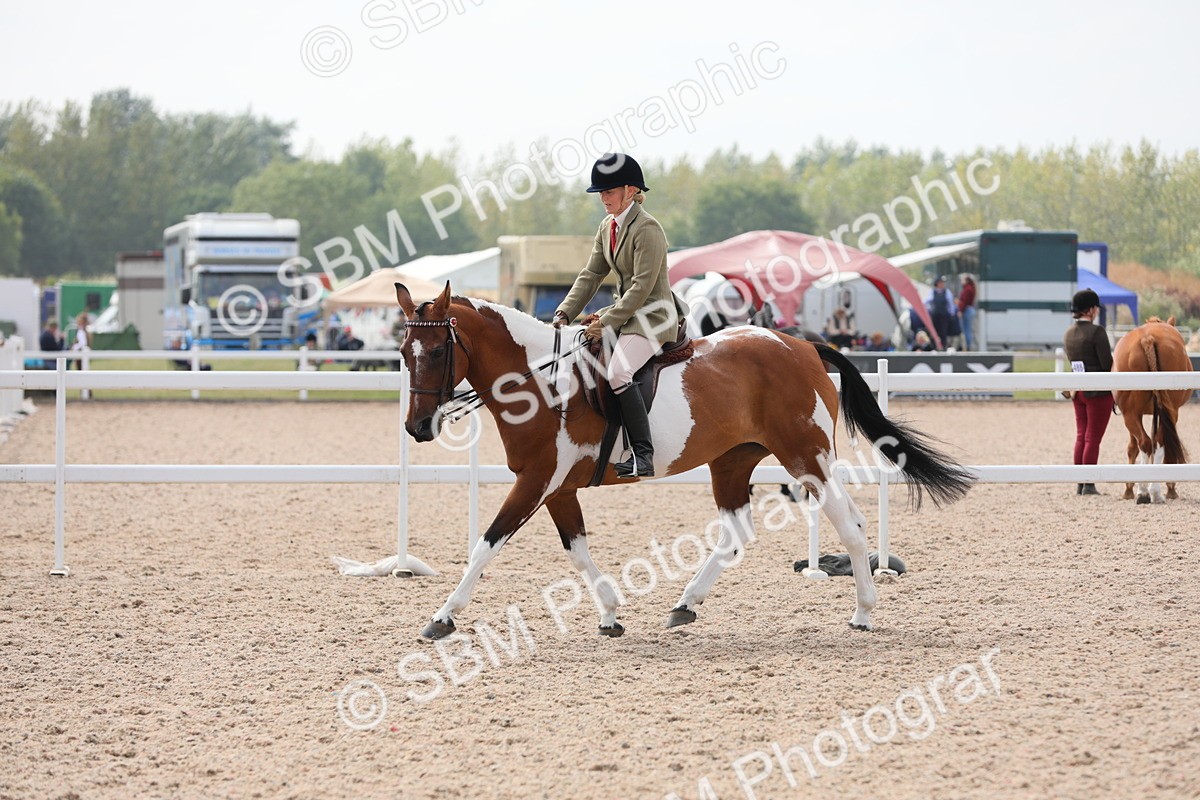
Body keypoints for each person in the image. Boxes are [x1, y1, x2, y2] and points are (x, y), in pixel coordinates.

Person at [553, 152, 689, 478]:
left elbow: (642, 287)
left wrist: (606, 322)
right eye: (600, 192)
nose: (603, 198)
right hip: (625, 314)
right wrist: (565, 312)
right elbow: (591, 274)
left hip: (652, 316)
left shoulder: (648, 229)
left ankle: (643, 453)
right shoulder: (607, 227)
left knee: (617, 373)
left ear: (630, 190)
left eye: (609, 191)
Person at [1062, 288, 1113, 495]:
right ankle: (1089, 483)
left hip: (1078, 391)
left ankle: (1080, 483)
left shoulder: (1068, 333)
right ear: (1091, 310)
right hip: (1098, 393)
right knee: (1093, 438)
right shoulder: (1097, 332)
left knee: (1081, 436)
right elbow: (1107, 363)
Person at [926, 276, 956, 350]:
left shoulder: (946, 292)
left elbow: (950, 303)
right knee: (934, 332)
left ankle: (943, 347)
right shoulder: (932, 292)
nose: (942, 284)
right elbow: (927, 301)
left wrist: (952, 313)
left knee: (943, 332)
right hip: (935, 315)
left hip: (944, 315)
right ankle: (933, 347)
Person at [957, 275, 977, 350]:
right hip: (969, 309)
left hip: (967, 310)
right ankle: (969, 345)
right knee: (968, 329)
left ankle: (969, 346)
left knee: (967, 330)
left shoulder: (968, 289)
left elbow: (964, 302)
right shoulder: (971, 288)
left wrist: (960, 311)